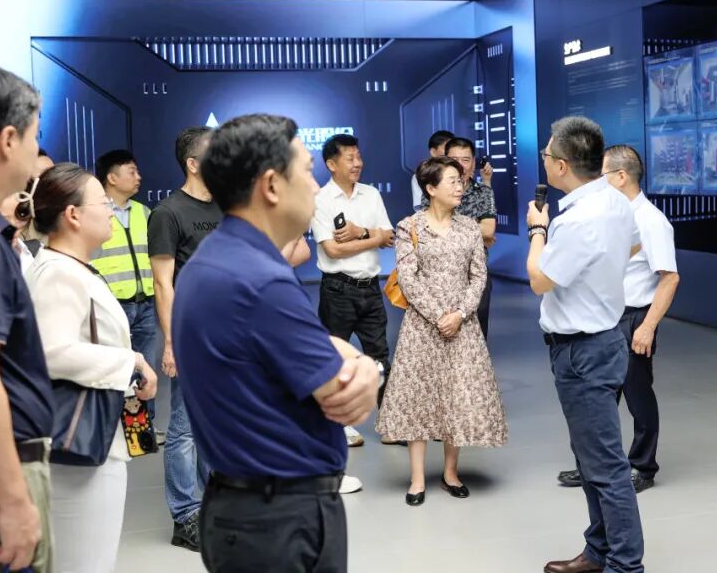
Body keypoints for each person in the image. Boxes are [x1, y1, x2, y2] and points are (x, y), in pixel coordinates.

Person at [173, 114, 380, 572]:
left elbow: (307, 349)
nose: (315, 185)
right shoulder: (261, 281)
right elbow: (340, 387)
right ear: (271, 185)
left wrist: (343, 354)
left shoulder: (216, 260)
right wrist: (366, 366)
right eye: (307, 170)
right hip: (280, 521)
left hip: (243, 509)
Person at [25, 163, 158, 573]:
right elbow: (51, 351)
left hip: (96, 437)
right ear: (73, 215)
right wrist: (129, 362)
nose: (111, 212)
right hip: (78, 446)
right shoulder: (58, 273)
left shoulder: (73, 268)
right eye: (103, 203)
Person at [526, 116, 645, 573]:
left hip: (582, 352)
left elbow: (539, 280)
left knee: (606, 467)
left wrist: (538, 230)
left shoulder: (575, 220)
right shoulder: (615, 201)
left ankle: (625, 565)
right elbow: (631, 249)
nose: (544, 160)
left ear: (561, 166)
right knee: (592, 458)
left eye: (546, 154)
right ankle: (599, 550)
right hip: (602, 342)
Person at [376, 156, 507, 506]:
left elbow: (478, 276)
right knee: (418, 399)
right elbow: (408, 278)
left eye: (460, 180)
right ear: (431, 188)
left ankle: (451, 473)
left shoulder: (469, 227)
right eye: (451, 180)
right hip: (423, 326)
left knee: (457, 396)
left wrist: (460, 314)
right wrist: (439, 316)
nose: (460, 186)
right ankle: (417, 479)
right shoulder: (409, 227)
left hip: (463, 326)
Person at [557, 145, 680, 494]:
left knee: (638, 397)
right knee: (596, 397)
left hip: (633, 318)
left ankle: (643, 466)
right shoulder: (612, 216)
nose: (596, 182)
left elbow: (670, 277)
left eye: (603, 176)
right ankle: (592, 465)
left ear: (622, 177)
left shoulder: (651, 221)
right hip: (604, 317)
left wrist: (648, 326)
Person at [0, 65, 54, 573]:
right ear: (9, 139)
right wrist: (13, 500)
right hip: (7, 464)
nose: (37, 154)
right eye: (34, 136)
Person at [148, 126, 220, 551]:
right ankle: (185, 515)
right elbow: (163, 284)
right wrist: (172, 343)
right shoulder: (168, 212)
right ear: (193, 164)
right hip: (191, 333)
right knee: (185, 427)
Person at [311, 134, 394, 450]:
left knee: (380, 357)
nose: (358, 163)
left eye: (358, 156)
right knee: (335, 360)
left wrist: (360, 233)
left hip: (370, 288)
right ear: (331, 164)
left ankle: (389, 422)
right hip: (337, 290)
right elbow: (333, 250)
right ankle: (339, 426)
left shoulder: (371, 194)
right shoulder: (321, 199)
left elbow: (390, 236)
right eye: (350, 158)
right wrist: (375, 238)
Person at [91, 150, 165, 444]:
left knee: (145, 369)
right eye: (131, 171)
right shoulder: (96, 213)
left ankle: (142, 432)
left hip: (144, 301)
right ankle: (115, 432)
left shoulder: (144, 212)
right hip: (112, 306)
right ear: (111, 177)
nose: (139, 177)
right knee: (116, 369)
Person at [443, 137, 498, 339]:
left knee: (478, 334)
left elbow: (488, 231)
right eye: (454, 160)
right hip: (441, 274)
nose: (460, 165)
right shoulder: (433, 191)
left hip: (476, 273)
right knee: (444, 333)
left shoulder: (483, 192)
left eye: (465, 160)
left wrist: (449, 222)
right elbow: (430, 229)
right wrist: (474, 228)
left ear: (473, 163)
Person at [411, 130, 453, 209]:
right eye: (446, 148)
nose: (450, 153)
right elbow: (419, 208)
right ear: (433, 152)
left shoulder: (461, 173)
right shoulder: (420, 176)